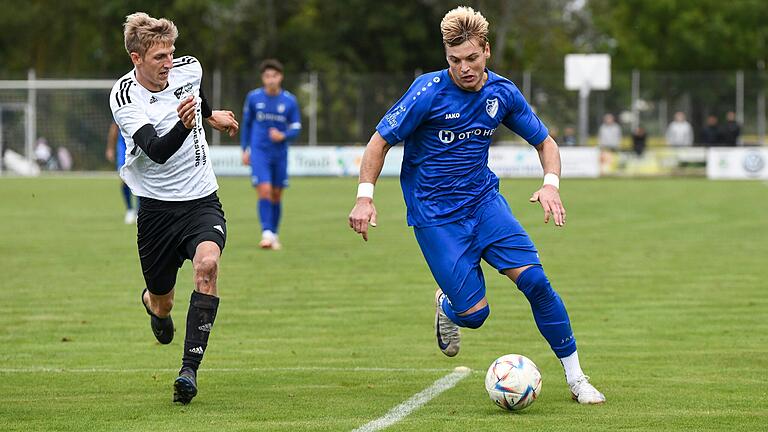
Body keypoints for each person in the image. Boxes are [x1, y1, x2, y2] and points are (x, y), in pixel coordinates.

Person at [348, 6, 605, 404]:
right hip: (434, 216)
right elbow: (379, 141)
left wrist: (550, 184)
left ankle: (577, 379)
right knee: (476, 316)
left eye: (471, 58)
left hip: (484, 204)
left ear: (486, 51)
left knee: (536, 282)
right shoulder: (427, 91)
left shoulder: (502, 93)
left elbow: (546, 142)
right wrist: (365, 197)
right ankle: (450, 307)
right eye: (454, 61)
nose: (463, 68)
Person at [109, 12, 239, 405]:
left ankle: (188, 371)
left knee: (208, 265)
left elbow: (196, 94)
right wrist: (186, 124)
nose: (168, 63)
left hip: (201, 200)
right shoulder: (124, 96)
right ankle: (154, 306)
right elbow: (158, 151)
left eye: (171, 54)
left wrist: (210, 115)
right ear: (136, 58)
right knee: (163, 300)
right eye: (158, 58)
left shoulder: (188, 68)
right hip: (156, 211)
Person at [240, 59, 302, 250]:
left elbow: (297, 127)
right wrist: (245, 148)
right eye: (267, 76)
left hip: (280, 153)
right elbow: (247, 124)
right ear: (263, 78)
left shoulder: (289, 101)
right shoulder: (253, 98)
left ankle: (273, 234)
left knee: (276, 195)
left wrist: (283, 135)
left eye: (274, 76)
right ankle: (266, 233)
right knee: (265, 190)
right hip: (259, 152)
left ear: (280, 77)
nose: (271, 79)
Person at [106, 122, 139, 224]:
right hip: (123, 148)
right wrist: (110, 148)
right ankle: (129, 209)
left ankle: (139, 211)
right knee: (124, 179)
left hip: (138, 145)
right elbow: (114, 128)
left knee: (140, 180)